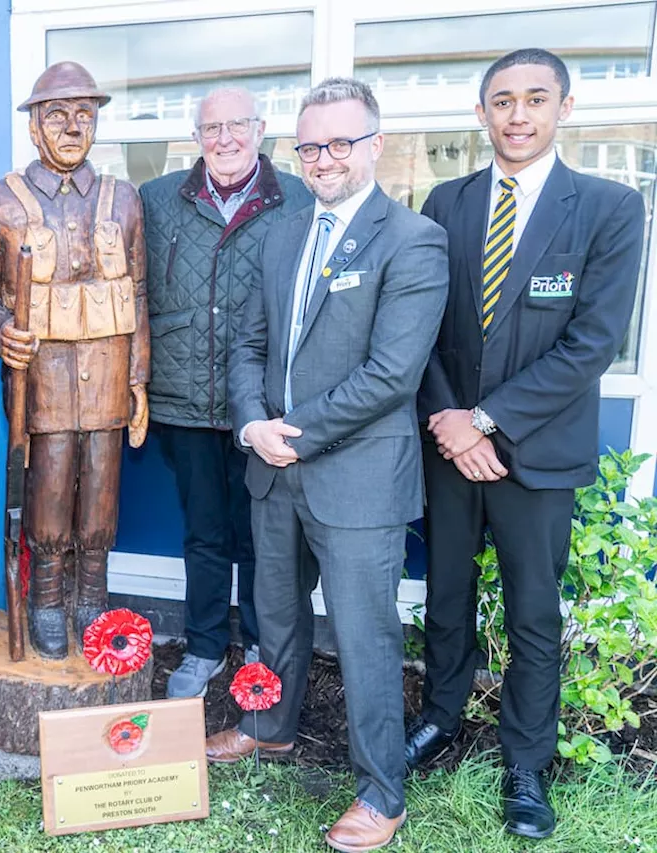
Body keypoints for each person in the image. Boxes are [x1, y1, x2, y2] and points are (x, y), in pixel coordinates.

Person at [408, 48, 645, 840]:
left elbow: (593, 343)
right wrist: (451, 421)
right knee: (445, 596)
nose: (517, 114)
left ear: (563, 108)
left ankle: (525, 765)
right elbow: (423, 331)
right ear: (481, 113)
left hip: (537, 454)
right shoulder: (446, 202)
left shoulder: (610, 207)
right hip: (450, 448)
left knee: (533, 615)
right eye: (502, 100)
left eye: (535, 99)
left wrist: (487, 421)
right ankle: (440, 721)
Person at [210, 77, 447, 853]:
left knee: (365, 636)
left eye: (340, 142)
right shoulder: (281, 231)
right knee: (274, 616)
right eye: (310, 145)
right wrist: (251, 424)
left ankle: (382, 789)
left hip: (357, 480)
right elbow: (247, 344)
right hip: (273, 470)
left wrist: (294, 432)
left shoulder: (411, 238)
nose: (323, 158)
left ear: (375, 145)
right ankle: (269, 725)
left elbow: (391, 374)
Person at [140, 87, 311, 699]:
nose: (225, 139)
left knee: (265, 534)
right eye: (211, 128)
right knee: (205, 533)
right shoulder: (158, 200)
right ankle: (207, 646)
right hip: (184, 403)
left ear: (261, 129)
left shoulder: (297, 197)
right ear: (196, 137)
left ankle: (264, 645)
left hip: (265, 405)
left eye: (237, 125)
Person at [0, 61, 149, 659]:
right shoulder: (1, 201)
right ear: (33, 127)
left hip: (107, 377)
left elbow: (140, 294)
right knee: (48, 488)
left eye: (84, 115)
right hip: (43, 385)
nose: (72, 127)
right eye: (57, 115)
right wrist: (4, 335)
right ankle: (47, 598)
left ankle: (91, 598)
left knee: (101, 487)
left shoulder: (122, 199)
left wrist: (138, 378)